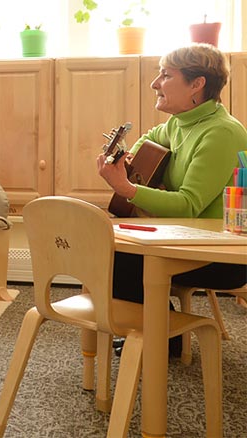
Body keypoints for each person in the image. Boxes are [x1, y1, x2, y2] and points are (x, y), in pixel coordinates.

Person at [97, 44, 247, 356]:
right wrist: (126, 159)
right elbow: (148, 142)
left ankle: (163, 338)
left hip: (219, 255)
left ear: (197, 84)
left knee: (121, 260)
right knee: (107, 252)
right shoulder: (179, 122)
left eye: (166, 75)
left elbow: (188, 204)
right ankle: (154, 331)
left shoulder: (221, 132)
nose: (155, 83)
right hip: (180, 240)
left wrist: (127, 189)